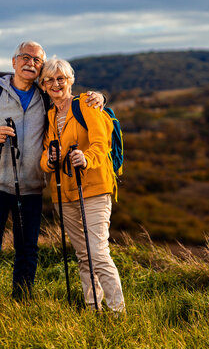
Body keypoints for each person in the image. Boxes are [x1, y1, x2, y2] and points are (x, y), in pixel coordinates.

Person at [0, 41, 104, 297]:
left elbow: (67, 99)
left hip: (31, 186)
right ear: (13, 61)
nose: (31, 63)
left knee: (27, 249)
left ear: (41, 69)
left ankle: (22, 301)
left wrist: (101, 98)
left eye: (37, 60)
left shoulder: (44, 97)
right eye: (25, 57)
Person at [40, 58, 126, 314]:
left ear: (70, 81)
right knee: (83, 256)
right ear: (43, 86)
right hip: (63, 194)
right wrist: (50, 160)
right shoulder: (51, 114)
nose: (56, 84)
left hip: (94, 189)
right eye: (50, 80)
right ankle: (93, 308)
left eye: (61, 79)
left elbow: (102, 143)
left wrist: (87, 159)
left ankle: (118, 312)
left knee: (97, 253)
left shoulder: (86, 104)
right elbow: (45, 156)